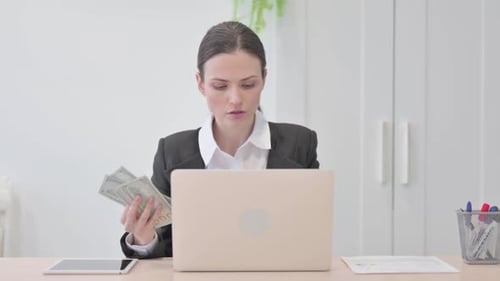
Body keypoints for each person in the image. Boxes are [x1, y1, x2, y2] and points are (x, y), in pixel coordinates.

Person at [119, 21, 319, 259]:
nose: (235, 99)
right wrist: (144, 238)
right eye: (220, 86)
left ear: (264, 79)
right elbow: (164, 249)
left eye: (248, 84)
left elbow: (310, 235)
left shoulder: (300, 144)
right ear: (200, 84)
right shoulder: (171, 152)